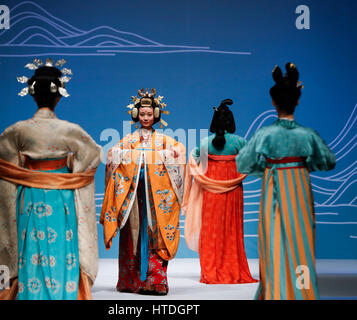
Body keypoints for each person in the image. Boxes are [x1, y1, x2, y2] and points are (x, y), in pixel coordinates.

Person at [0, 58, 102, 300]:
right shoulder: (70, 129)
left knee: (32, 244)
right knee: (62, 242)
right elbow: (93, 155)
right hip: (62, 194)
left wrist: (22, 170)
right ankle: (64, 293)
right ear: (58, 96)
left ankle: (32, 293)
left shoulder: (20, 129)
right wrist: (71, 170)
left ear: (33, 94)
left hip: (30, 194)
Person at [235, 63, 336, 300]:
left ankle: (275, 291)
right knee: (301, 238)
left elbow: (243, 163)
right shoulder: (307, 134)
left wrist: (270, 168)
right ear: (297, 101)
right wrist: (301, 166)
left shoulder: (265, 134)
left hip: (273, 185)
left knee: (272, 239)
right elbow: (328, 161)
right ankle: (302, 293)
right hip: (299, 187)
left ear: (273, 103)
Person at [100, 88, 185, 295]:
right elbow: (112, 155)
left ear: (156, 115)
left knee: (157, 233)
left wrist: (167, 154)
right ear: (136, 115)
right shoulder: (129, 140)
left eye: (149, 114)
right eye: (142, 114)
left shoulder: (163, 140)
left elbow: (180, 152)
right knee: (132, 234)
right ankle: (131, 281)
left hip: (156, 199)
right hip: (134, 198)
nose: (145, 118)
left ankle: (156, 281)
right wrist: (129, 156)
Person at [182, 99, 257, 284]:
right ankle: (234, 270)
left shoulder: (205, 143)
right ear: (231, 122)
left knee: (210, 231)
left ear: (214, 123)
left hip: (210, 193)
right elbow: (251, 162)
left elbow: (193, 161)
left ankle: (210, 271)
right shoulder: (240, 142)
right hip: (234, 193)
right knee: (232, 230)